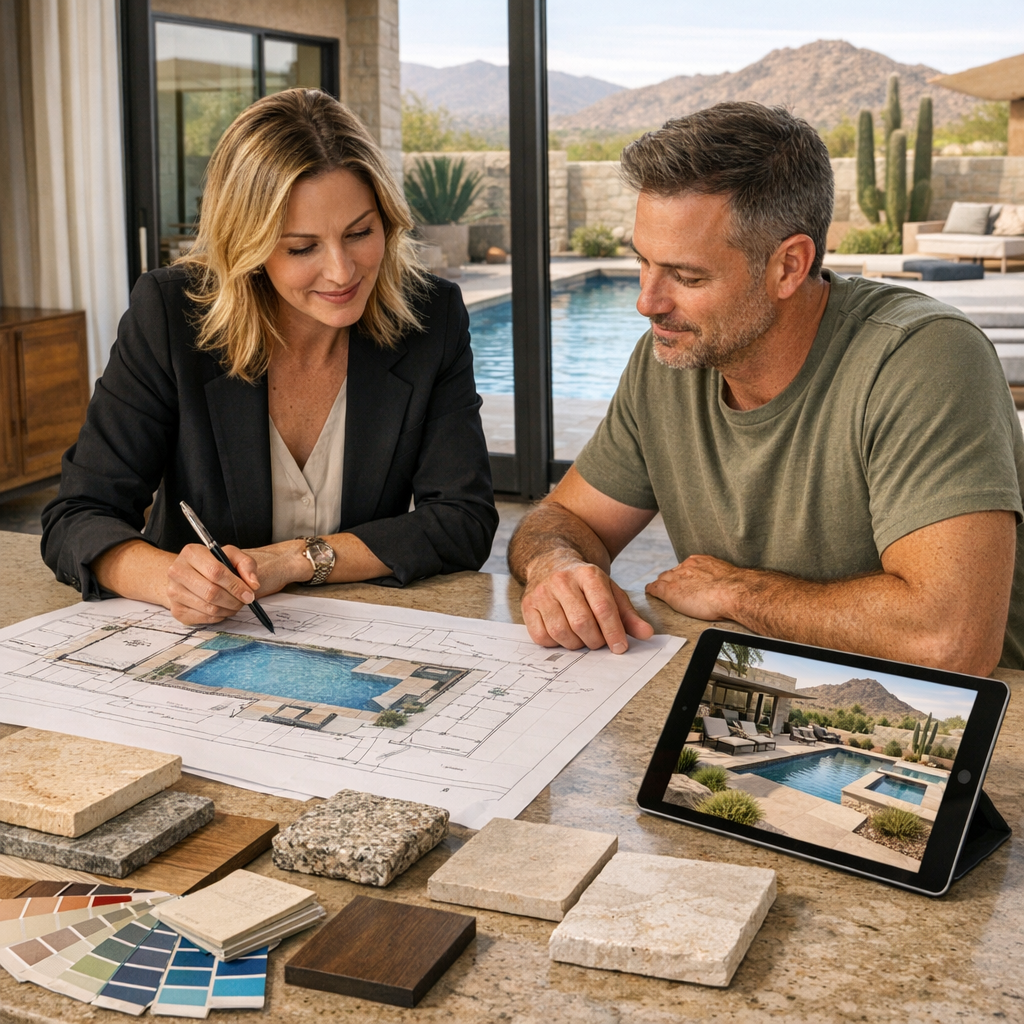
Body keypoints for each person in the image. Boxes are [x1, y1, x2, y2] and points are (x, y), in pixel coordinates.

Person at [508, 102, 1024, 676]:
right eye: (643, 263)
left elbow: (949, 640)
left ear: (789, 266)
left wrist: (738, 591)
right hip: (757, 683)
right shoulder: (671, 360)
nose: (647, 301)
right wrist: (555, 565)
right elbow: (563, 518)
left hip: (963, 716)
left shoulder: (923, 359)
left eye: (687, 276)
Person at [42, 89, 497, 625]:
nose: (342, 271)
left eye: (360, 233)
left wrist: (296, 560)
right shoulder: (170, 315)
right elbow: (77, 515)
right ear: (248, 246)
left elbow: (463, 520)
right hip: (196, 639)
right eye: (302, 247)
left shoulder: (431, 318)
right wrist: (169, 580)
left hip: (365, 632)